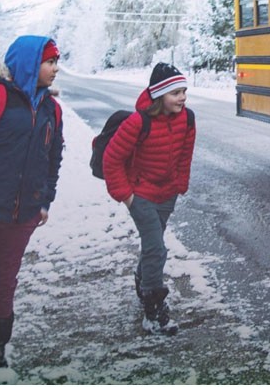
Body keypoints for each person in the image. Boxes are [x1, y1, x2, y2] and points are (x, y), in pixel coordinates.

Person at [0, 35, 64, 380]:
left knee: (3, 284)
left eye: (56, 62)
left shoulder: (52, 108)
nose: (55, 69)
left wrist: (44, 200)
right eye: (49, 61)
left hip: (22, 216)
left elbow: (52, 157)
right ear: (28, 62)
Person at [103, 62, 196, 335]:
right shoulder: (138, 121)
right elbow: (112, 159)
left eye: (184, 91)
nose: (182, 98)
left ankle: (142, 279)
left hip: (167, 194)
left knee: (151, 245)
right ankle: (154, 311)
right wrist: (127, 196)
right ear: (159, 95)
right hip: (140, 193)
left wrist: (179, 185)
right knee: (156, 248)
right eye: (175, 93)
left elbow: (184, 156)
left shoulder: (188, 119)